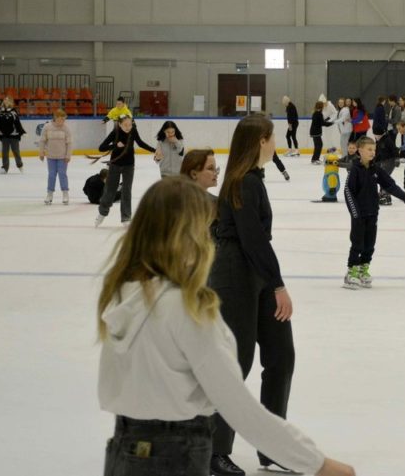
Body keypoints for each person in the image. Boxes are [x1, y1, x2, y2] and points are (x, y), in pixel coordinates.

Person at [97, 177, 356, 476]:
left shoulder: (123, 294)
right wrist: (318, 464)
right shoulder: (187, 309)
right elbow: (238, 407)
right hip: (175, 456)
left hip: (123, 452)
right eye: (209, 229)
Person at [208, 114, 301, 475]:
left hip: (256, 274)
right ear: (261, 140)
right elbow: (252, 240)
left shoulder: (252, 179)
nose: (276, 142)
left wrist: (270, 281)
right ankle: (214, 450)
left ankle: (272, 446)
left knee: (281, 356)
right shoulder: (243, 182)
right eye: (273, 137)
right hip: (235, 275)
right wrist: (278, 285)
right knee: (237, 363)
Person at [343, 136, 405, 289]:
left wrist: (403, 196)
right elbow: (348, 192)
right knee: (357, 243)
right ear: (360, 151)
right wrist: (355, 213)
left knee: (369, 244)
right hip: (359, 215)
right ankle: (351, 271)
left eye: (374, 149)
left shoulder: (375, 169)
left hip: (372, 213)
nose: (372, 152)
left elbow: (389, 184)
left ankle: (363, 269)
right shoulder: (355, 170)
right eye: (369, 149)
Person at [95, 115, 157, 227]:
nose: (128, 127)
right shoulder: (115, 132)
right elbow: (101, 148)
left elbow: (140, 143)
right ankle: (102, 212)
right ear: (119, 124)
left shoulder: (133, 131)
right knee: (110, 190)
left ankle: (126, 218)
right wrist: (115, 145)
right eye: (125, 125)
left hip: (129, 165)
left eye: (130, 124)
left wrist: (154, 150)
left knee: (126, 191)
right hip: (115, 165)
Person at [39, 109, 72, 205]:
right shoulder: (47, 127)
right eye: (61, 119)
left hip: (62, 157)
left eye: (64, 119)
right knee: (51, 175)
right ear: (56, 118)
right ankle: (49, 194)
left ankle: (65, 193)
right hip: (51, 156)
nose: (63, 121)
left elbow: (69, 143)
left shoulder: (66, 128)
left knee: (62, 174)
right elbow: (42, 141)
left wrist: (68, 155)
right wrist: (41, 152)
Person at [0, 96, 26, 173]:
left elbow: (17, 123)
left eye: (8, 100)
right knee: (4, 152)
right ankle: (5, 168)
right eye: (5, 99)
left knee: (15, 151)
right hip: (4, 135)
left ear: (11, 102)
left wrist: (22, 132)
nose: (6, 101)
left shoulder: (13, 112)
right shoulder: (0, 111)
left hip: (13, 135)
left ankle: (19, 165)